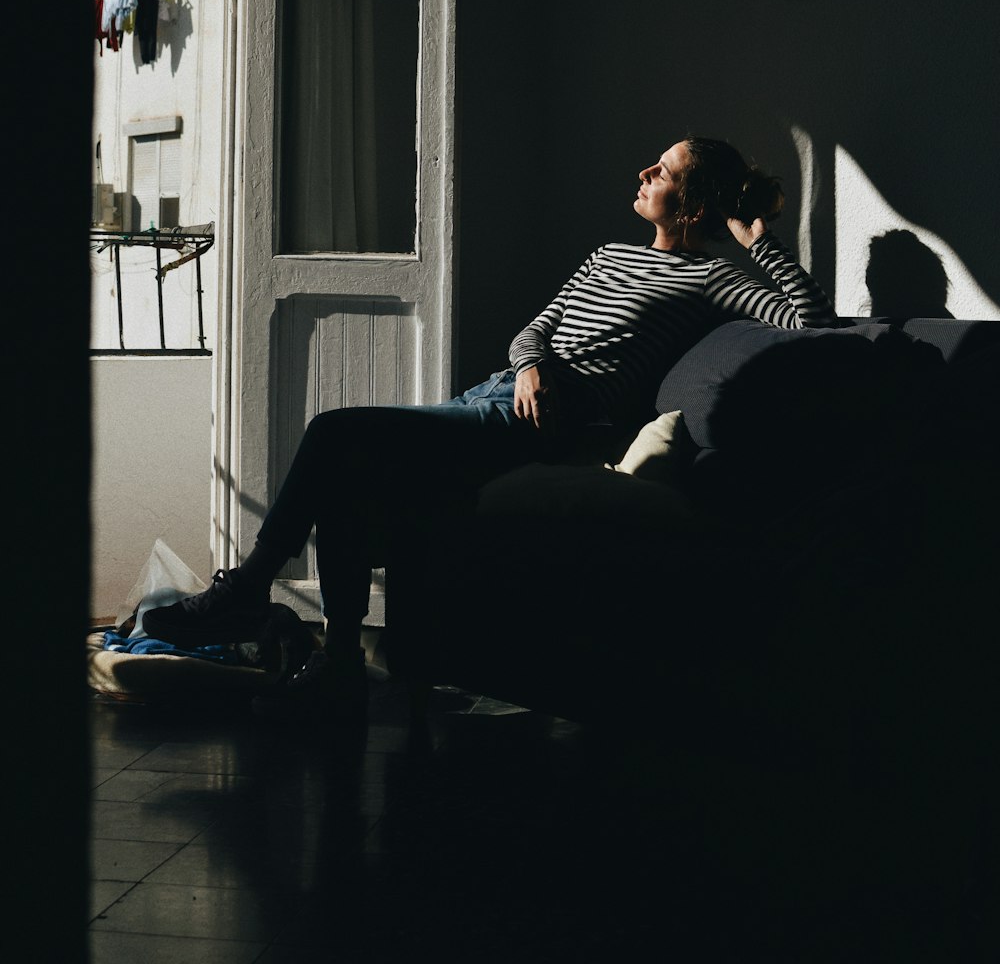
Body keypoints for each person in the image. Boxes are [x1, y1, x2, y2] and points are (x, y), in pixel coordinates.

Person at [144, 136, 837, 723]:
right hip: (502, 392)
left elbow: (809, 322)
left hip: (536, 424)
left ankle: (246, 592)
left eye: (662, 171)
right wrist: (532, 365)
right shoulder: (606, 255)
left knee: (334, 431)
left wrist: (757, 239)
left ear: (692, 202)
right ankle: (342, 667)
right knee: (349, 475)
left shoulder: (711, 278)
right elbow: (532, 330)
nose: (643, 175)